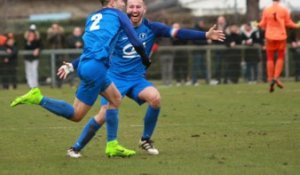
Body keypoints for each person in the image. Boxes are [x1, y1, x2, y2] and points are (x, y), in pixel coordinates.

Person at [59, 0, 225, 158]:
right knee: (103, 114)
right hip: (114, 78)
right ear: (126, 9)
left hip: (137, 79)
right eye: (131, 7)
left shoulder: (153, 28)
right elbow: (94, 52)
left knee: (155, 98)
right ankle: (76, 147)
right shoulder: (117, 26)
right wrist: (71, 66)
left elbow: (178, 33)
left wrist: (205, 35)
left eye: (138, 7)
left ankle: (145, 140)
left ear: (144, 9)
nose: (134, 10)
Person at [10, 0, 150, 158]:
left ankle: (112, 145)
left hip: (88, 65)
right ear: (112, 2)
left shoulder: (92, 17)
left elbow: (90, 49)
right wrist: (145, 58)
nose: (124, 4)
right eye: (121, 1)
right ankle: (38, 98)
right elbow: (136, 41)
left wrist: (71, 66)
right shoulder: (118, 15)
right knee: (76, 115)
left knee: (116, 99)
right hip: (96, 68)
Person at [258, 0, 300, 92]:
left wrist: (257, 24)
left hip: (269, 36)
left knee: (270, 58)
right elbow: (288, 23)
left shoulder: (266, 10)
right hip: (281, 36)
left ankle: (270, 78)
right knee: (280, 57)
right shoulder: (284, 10)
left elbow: (263, 24)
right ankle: (276, 77)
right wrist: (297, 25)